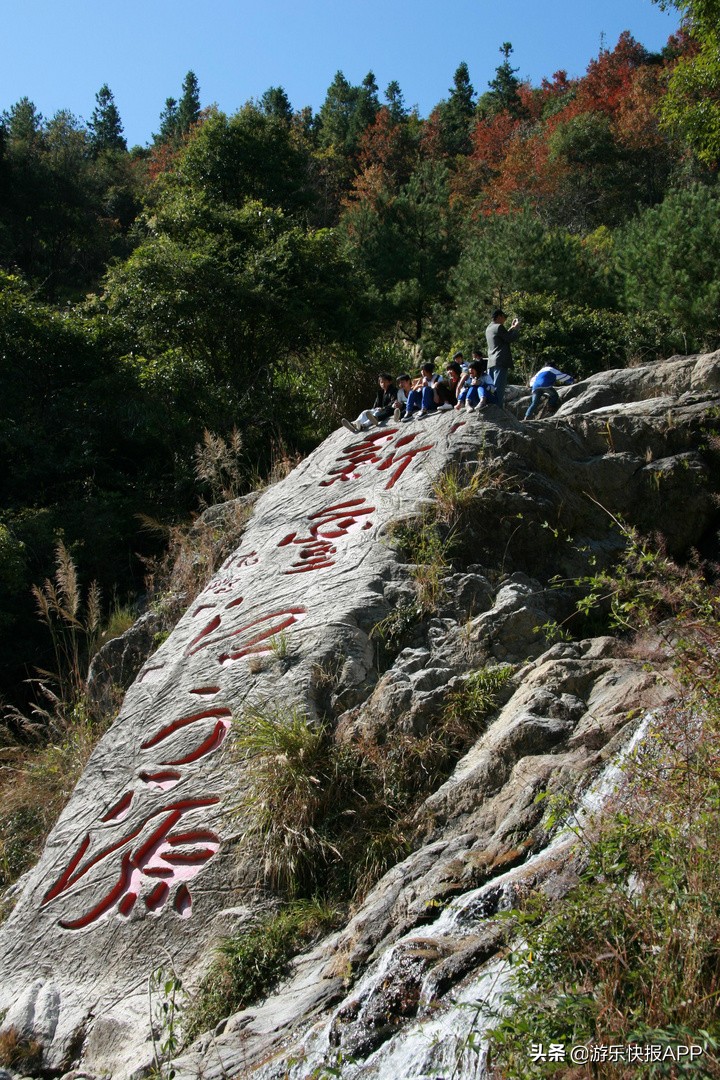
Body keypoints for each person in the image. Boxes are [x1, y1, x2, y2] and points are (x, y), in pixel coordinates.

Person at [485, 308, 520, 409]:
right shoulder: (499, 327)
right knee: (499, 388)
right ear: (499, 316)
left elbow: (502, 337)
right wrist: (517, 329)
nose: (505, 319)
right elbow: (509, 338)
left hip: (491, 362)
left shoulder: (489, 328)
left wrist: (511, 328)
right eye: (504, 317)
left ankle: (491, 407)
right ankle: (498, 409)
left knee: (491, 387)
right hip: (501, 361)